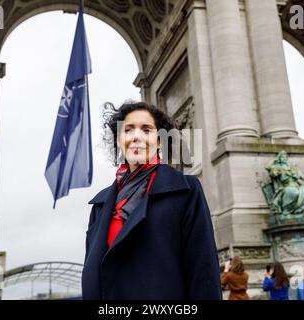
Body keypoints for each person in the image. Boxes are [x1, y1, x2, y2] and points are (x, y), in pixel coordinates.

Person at [81, 101, 222, 300]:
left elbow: (203, 270)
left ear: (160, 141)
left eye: (146, 130)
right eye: (128, 130)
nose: (136, 136)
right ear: (119, 140)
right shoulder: (100, 205)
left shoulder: (187, 191)